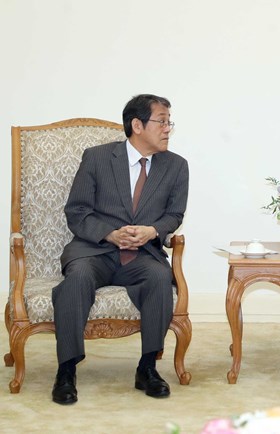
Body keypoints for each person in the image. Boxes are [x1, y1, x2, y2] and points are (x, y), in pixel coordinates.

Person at [51, 94, 189, 405]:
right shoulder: (98, 158)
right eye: (162, 121)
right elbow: (77, 210)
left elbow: (174, 215)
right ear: (137, 125)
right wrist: (110, 234)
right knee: (76, 280)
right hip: (95, 250)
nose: (168, 128)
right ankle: (66, 370)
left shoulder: (177, 166)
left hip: (143, 255)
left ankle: (147, 368)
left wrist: (152, 231)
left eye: (170, 121)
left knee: (159, 278)